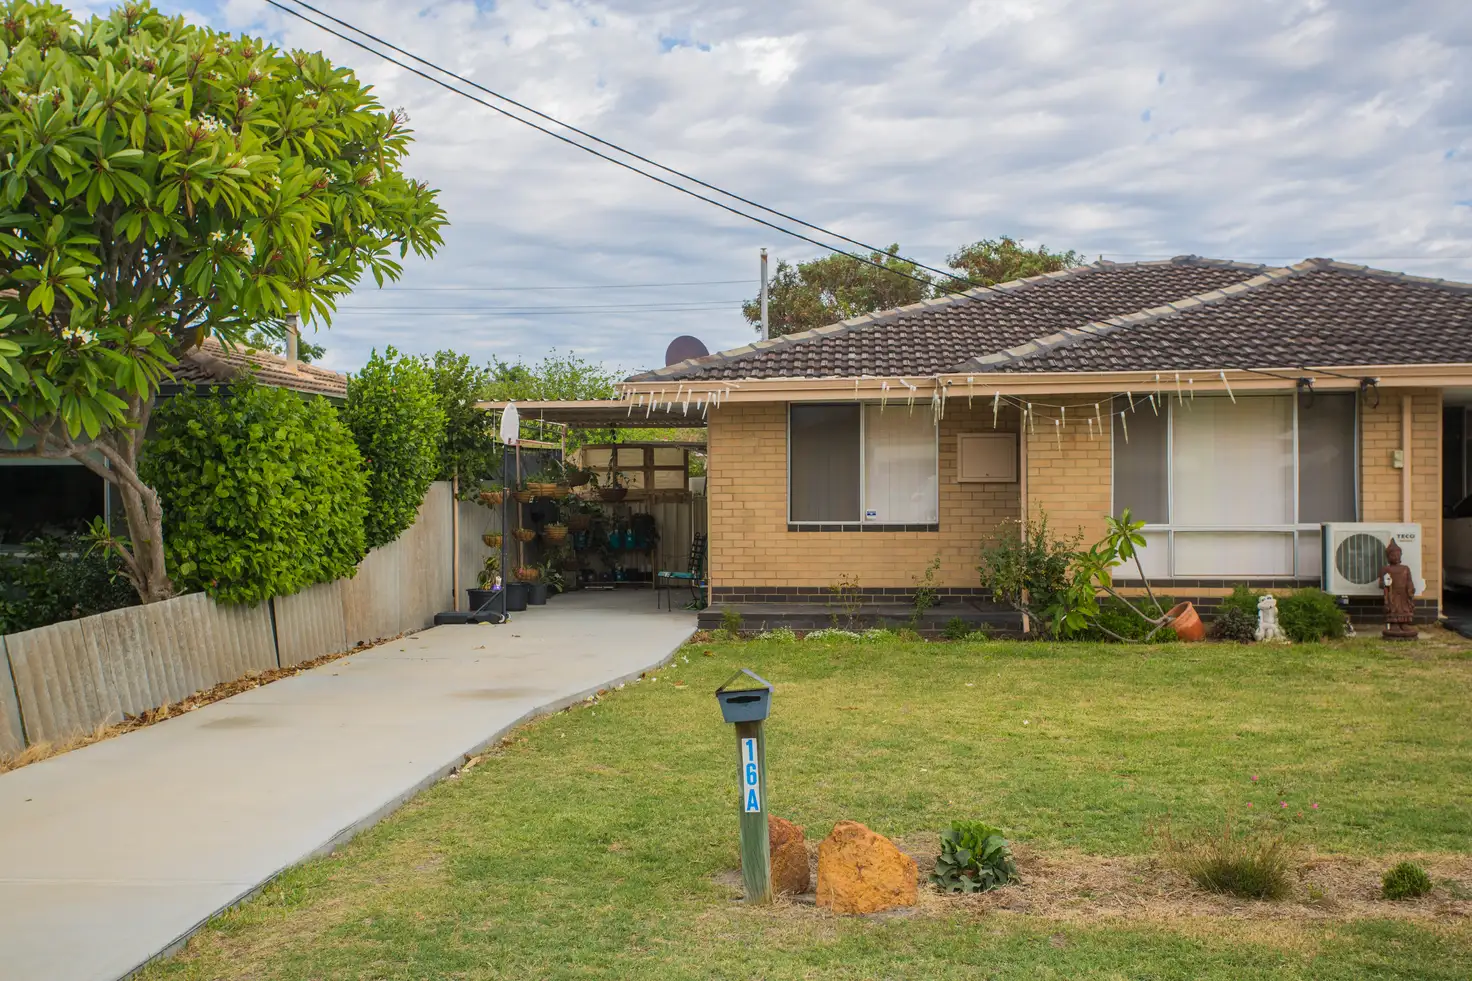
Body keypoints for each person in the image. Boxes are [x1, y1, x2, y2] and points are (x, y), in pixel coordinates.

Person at [1380, 539, 1417, 639]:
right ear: (1388, 557)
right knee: (1393, 608)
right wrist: (1385, 583)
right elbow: (1380, 584)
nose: (1395, 557)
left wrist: (1410, 589)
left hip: (1404, 593)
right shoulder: (1386, 569)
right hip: (1392, 593)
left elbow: (1409, 580)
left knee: (1404, 609)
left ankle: (1404, 624)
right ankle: (1394, 625)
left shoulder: (1405, 568)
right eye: (1392, 555)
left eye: (1397, 555)